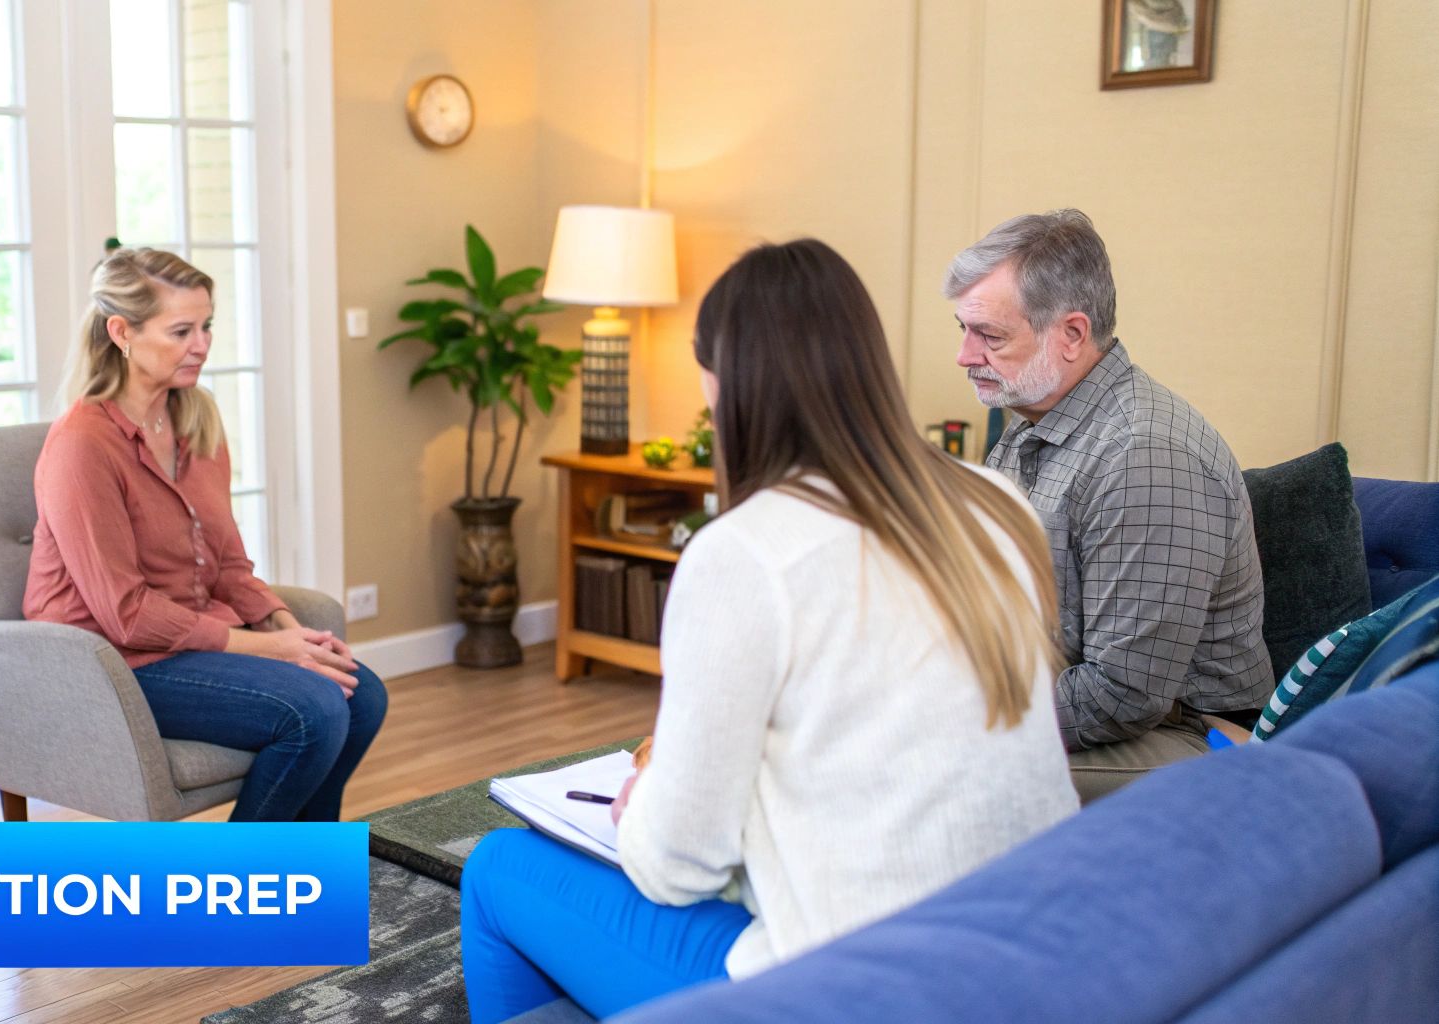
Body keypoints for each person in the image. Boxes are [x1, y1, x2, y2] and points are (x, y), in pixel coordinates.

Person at [459, 239, 1080, 1023]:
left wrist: (641, 803)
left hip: (852, 989)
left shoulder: (745, 553)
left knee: (496, 868)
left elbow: (679, 867)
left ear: (731, 390)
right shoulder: (997, 503)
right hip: (1025, 956)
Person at [24, 247, 386, 822]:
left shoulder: (194, 419)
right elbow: (126, 614)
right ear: (121, 331)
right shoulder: (83, 445)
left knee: (360, 694)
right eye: (181, 330)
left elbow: (227, 565)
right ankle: (226, 889)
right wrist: (275, 650)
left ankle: (302, 878)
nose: (202, 344)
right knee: (313, 710)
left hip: (181, 642)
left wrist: (292, 632)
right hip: (108, 663)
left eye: (207, 325)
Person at [946, 209, 1272, 801]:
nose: (966, 355)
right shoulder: (1030, 423)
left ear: (1071, 334)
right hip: (1068, 701)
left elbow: (1123, 695)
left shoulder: (1143, 454)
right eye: (964, 330)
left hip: (1188, 737)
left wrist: (954, 722)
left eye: (989, 335)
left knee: (921, 775)